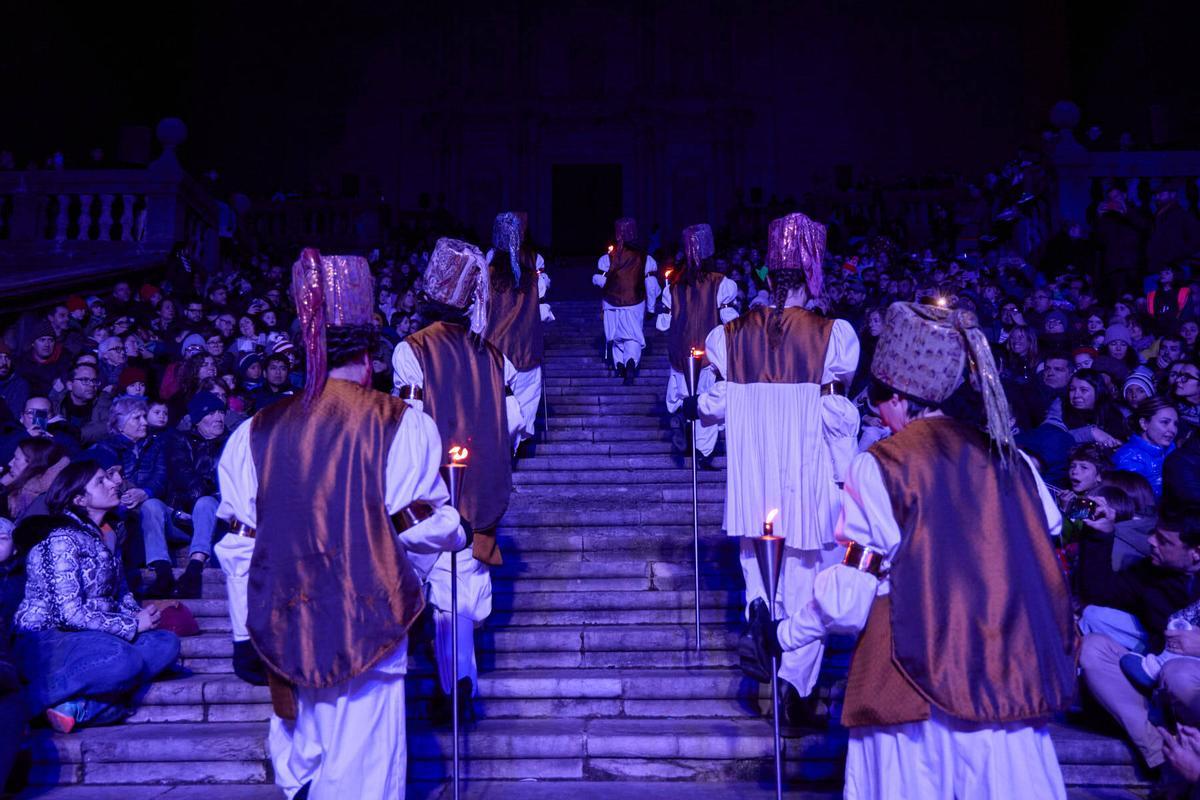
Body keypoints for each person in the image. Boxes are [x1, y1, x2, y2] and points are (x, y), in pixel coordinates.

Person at [742, 300, 1076, 799]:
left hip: (914, 686)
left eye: (877, 397)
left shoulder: (882, 465)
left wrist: (785, 634)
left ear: (896, 395)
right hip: (1011, 686)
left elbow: (850, 598)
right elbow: (1041, 545)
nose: (876, 410)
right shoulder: (1017, 461)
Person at [215, 249, 464, 799]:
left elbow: (238, 546)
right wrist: (436, 557)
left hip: (282, 627)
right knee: (364, 772)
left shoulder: (251, 432)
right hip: (369, 625)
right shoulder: (402, 424)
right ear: (372, 356)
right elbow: (414, 529)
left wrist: (240, 632)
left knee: (303, 757)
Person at [698, 212, 860, 718]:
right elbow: (836, 415)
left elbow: (712, 404)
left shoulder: (729, 334)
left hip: (754, 480)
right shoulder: (833, 334)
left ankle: (758, 607)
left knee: (759, 564)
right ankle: (793, 684)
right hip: (808, 477)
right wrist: (845, 473)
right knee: (811, 579)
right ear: (812, 273)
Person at [394, 237, 526, 722]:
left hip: (431, 489)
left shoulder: (411, 351)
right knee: (459, 590)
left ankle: (456, 686)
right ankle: (457, 681)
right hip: (483, 487)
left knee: (444, 593)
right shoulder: (494, 356)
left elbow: (410, 425)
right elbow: (515, 418)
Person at [12, 460, 180, 732]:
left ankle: (81, 707)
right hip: (48, 638)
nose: (114, 483)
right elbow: (67, 614)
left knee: (165, 643)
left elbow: (121, 594)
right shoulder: (60, 538)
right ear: (79, 498)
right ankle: (32, 702)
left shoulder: (107, 536)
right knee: (122, 659)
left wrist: (137, 615)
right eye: (101, 481)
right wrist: (131, 625)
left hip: (93, 636)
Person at [1078, 509, 1200, 772]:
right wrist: (1101, 535)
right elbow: (1100, 592)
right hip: (1159, 676)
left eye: (1165, 541)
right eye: (1154, 534)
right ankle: (1161, 756)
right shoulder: (1153, 572)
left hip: (1186, 678)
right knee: (1092, 649)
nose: (1152, 542)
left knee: (1178, 674)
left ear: (1196, 552)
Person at [660, 223, 739, 461]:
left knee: (684, 393)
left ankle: (682, 421)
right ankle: (702, 449)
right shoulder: (720, 283)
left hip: (679, 350)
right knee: (705, 399)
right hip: (707, 352)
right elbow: (729, 319)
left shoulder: (674, 285)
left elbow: (664, 322)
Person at [485, 212, 546, 449]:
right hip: (525, 345)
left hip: (494, 348)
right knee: (525, 397)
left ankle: (504, 444)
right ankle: (514, 443)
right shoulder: (531, 275)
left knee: (499, 400)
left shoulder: (486, 273)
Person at [594, 217, 658, 384]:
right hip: (635, 303)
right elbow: (651, 284)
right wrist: (651, 308)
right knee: (633, 337)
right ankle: (630, 361)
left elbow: (599, 281)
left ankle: (620, 364)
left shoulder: (607, 259)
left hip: (610, 304)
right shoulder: (645, 259)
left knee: (616, 337)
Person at [1113, 397, 1179, 498]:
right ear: (1144, 424)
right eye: (1165, 422)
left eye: (1175, 424)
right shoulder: (1128, 458)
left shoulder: (1172, 449)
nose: (1173, 429)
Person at [0, 437, 68, 520]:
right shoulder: (15, 479)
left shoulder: (29, 498)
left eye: (16, 459)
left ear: (32, 464)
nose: (10, 463)